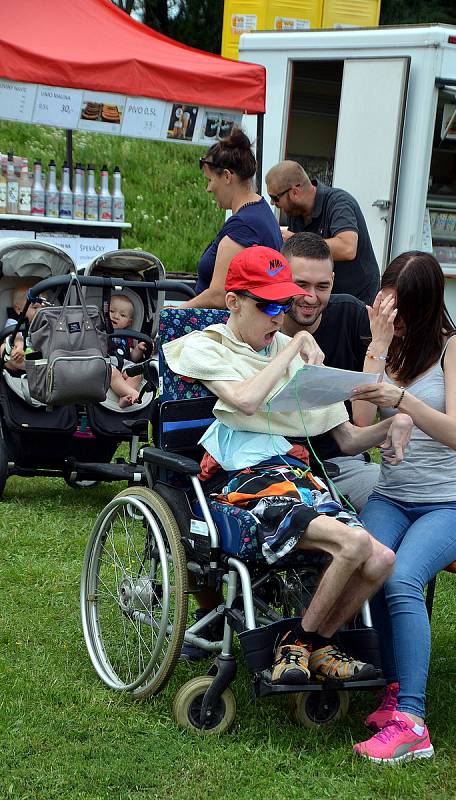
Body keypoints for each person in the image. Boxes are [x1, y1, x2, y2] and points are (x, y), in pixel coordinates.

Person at [163, 245, 413, 683]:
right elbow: (244, 400)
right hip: (241, 479)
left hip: (293, 473)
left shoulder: (292, 348)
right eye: (269, 305)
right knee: (353, 546)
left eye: (283, 303)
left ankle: (304, 644)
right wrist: (291, 346)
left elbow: (348, 438)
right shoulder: (204, 345)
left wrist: (393, 426)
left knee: (381, 559)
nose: (279, 316)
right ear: (234, 302)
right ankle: (302, 644)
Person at [350, 250, 456, 763]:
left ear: (426, 309)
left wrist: (402, 400)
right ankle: (394, 687)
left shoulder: (455, 349)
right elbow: (360, 427)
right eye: (388, 310)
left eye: (401, 314)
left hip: (449, 506)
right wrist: (377, 348)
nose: (394, 321)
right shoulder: (388, 345)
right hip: (392, 496)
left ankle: (412, 721)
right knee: (369, 562)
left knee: (403, 577)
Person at [281, 232, 379, 511]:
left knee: (396, 495)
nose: (311, 297)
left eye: (322, 286)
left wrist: (379, 346)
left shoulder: (352, 315)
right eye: (301, 285)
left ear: (333, 282)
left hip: (342, 462)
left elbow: (362, 422)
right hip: (278, 464)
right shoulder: (263, 323)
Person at [181, 128, 282, 309]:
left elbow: (219, 296)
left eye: (210, 180)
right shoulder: (261, 211)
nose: (208, 188)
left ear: (227, 176)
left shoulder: (243, 226)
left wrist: (175, 313)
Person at [265, 160, 379, 303]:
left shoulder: (339, 202)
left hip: (357, 297)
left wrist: (296, 240)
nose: (272, 203)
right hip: (322, 295)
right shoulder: (295, 212)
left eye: (275, 198)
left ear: (295, 192)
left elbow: (347, 248)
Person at [108, 294, 147, 408]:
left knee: (138, 373)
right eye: (111, 311)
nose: (115, 316)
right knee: (113, 372)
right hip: (109, 363)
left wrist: (138, 349)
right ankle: (131, 392)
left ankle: (125, 398)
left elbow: (133, 357)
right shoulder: (102, 332)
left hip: (125, 364)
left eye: (122, 315)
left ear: (129, 322)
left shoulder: (128, 337)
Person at [1, 284, 46, 373]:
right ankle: (32, 368)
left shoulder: (45, 319)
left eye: (44, 308)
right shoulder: (14, 321)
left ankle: (40, 368)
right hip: (21, 355)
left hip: (40, 355)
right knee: (3, 348)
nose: (40, 311)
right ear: (18, 309)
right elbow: (12, 334)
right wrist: (19, 344)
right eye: (35, 307)